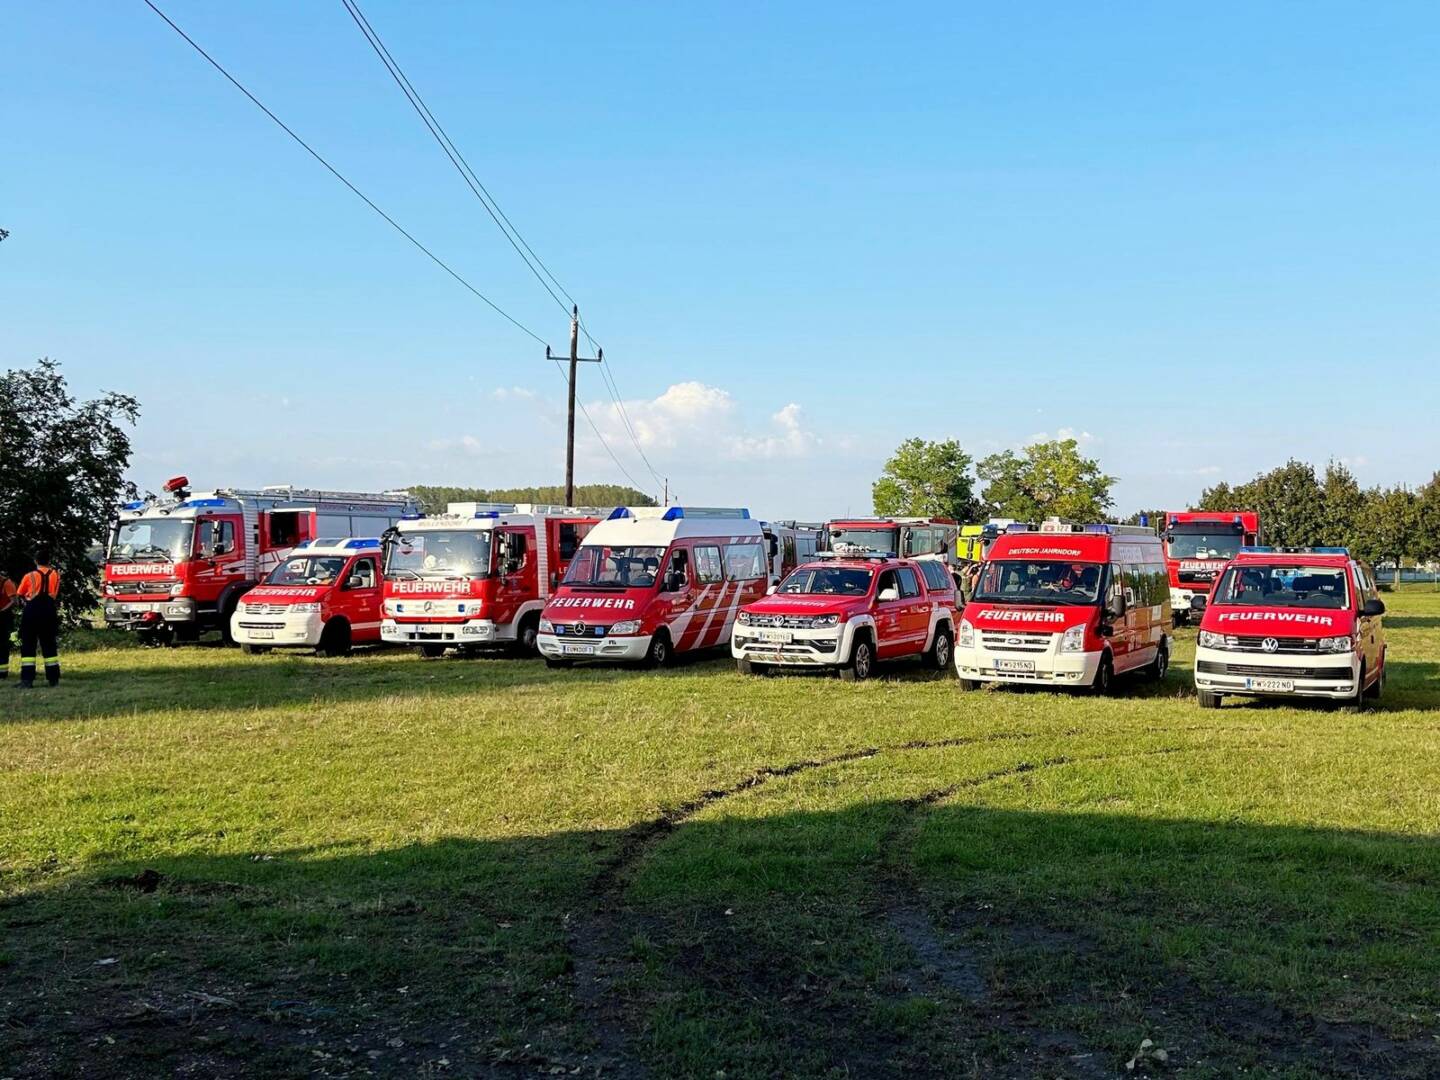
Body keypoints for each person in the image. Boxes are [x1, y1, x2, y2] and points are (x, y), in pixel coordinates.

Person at [17, 550, 61, 689]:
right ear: (49, 560)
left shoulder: (29, 576)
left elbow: (20, 593)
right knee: (49, 644)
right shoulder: (56, 575)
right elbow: (55, 593)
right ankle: (53, 679)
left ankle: (27, 680)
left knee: (28, 645)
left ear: (35, 561)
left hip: (32, 611)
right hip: (49, 611)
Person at [0, 571, 16, 680]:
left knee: (2, 645)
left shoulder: (7, 583)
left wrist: (1, 611)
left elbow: (13, 601)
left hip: (4, 617)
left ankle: (3, 673)